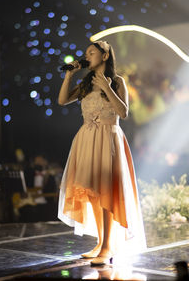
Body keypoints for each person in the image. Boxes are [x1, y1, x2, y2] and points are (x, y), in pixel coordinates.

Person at [58, 40, 146, 265]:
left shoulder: (117, 81)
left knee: (106, 190)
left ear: (105, 56)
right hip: (87, 138)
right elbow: (62, 100)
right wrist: (70, 75)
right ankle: (101, 242)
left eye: (92, 52)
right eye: (86, 52)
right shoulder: (85, 83)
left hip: (108, 138)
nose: (87, 56)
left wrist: (107, 88)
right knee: (93, 193)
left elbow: (124, 112)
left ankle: (108, 246)